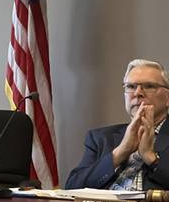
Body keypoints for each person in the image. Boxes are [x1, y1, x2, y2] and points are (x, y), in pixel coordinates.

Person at [65, 59, 169, 190]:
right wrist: (120, 153)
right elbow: (72, 187)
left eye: (148, 86)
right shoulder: (100, 138)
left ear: (167, 98)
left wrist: (150, 157)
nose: (137, 93)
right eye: (131, 87)